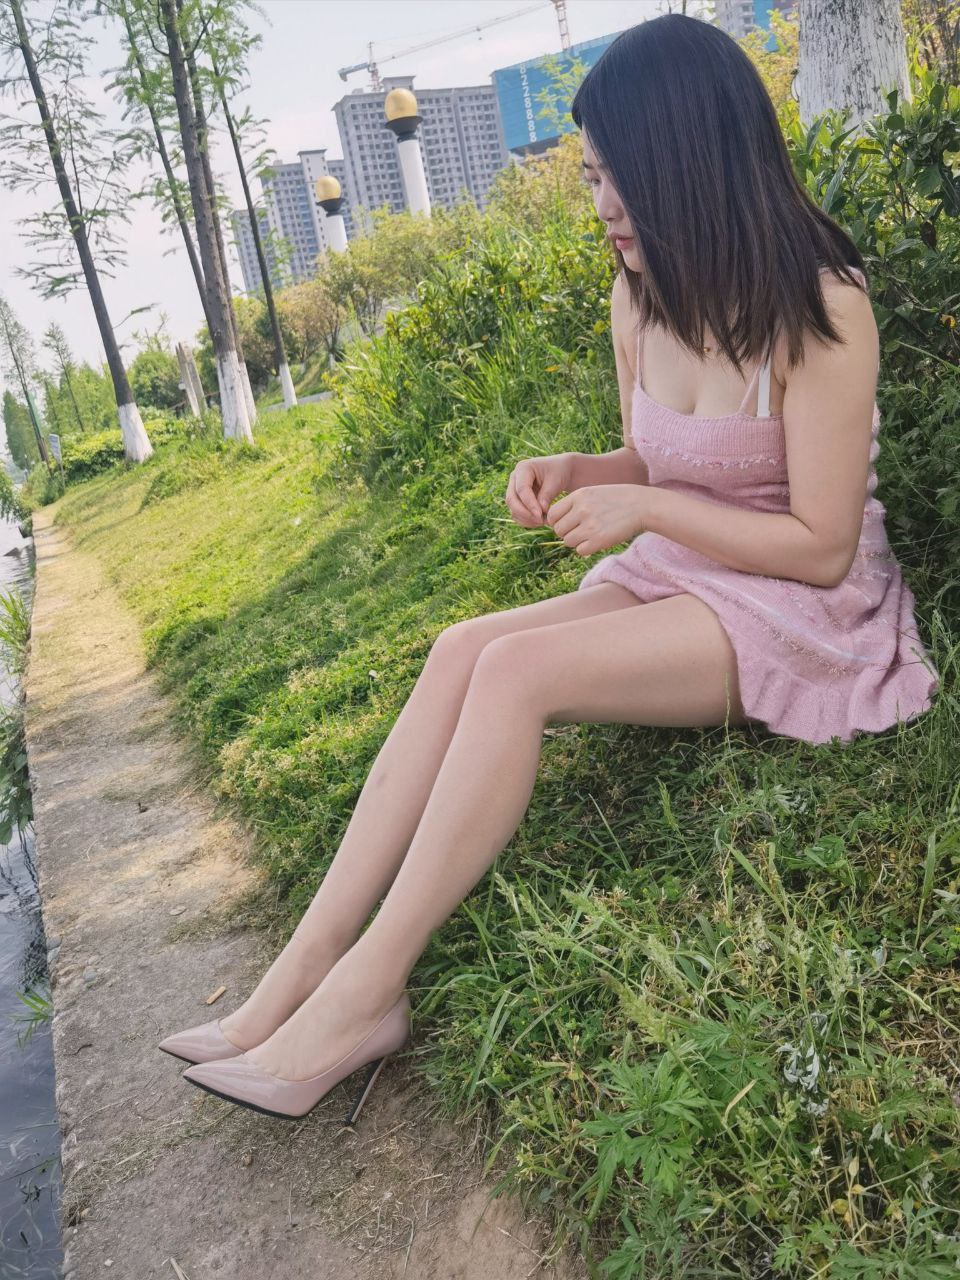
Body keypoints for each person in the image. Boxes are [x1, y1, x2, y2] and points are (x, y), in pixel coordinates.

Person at [158, 14, 939, 1121]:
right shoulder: (641, 293)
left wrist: (644, 507)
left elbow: (820, 544)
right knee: (461, 649)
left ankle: (368, 995)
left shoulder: (820, 302)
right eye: (591, 178)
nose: (604, 206)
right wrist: (585, 468)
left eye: (622, 178)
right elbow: (660, 454)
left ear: (691, 160)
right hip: (685, 570)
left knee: (518, 673)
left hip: (803, 605)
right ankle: (298, 972)